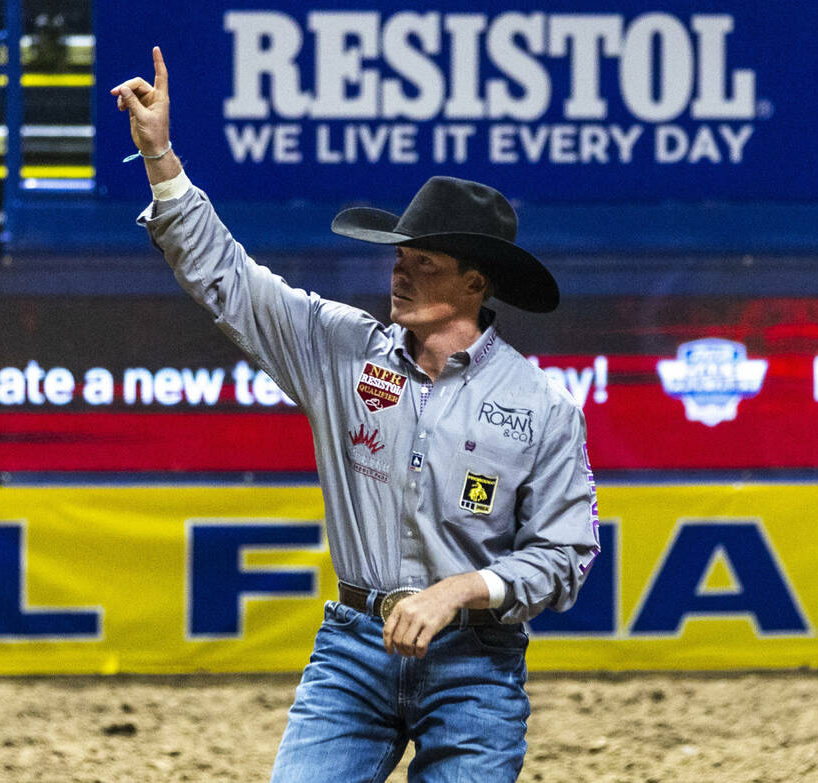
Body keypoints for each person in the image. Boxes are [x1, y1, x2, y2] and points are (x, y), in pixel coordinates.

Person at [112, 47, 600, 782]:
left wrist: (458, 588)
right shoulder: (342, 349)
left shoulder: (543, 407)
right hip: (353, 647)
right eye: (399, 257)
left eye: (424, 263)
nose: (399, 271)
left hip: (477, 662)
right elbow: (231, 283)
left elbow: (565, 557)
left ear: (475, 282)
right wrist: (161, 159)